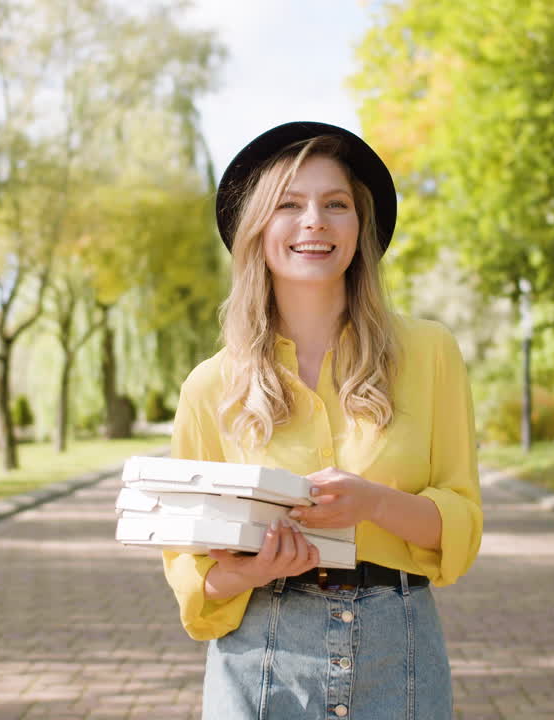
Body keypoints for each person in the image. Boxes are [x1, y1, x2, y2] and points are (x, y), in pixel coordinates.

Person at [163, 121, 482, 720]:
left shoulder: (430, 352)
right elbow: (191, 571)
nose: (315, 221)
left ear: (360, 228)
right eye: (289, 204)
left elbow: (462, 523)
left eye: (335, 204)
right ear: (257, 229)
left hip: (399, 653)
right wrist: (252, 571)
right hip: (260, 656)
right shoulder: (210, 386)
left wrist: (372, 504)